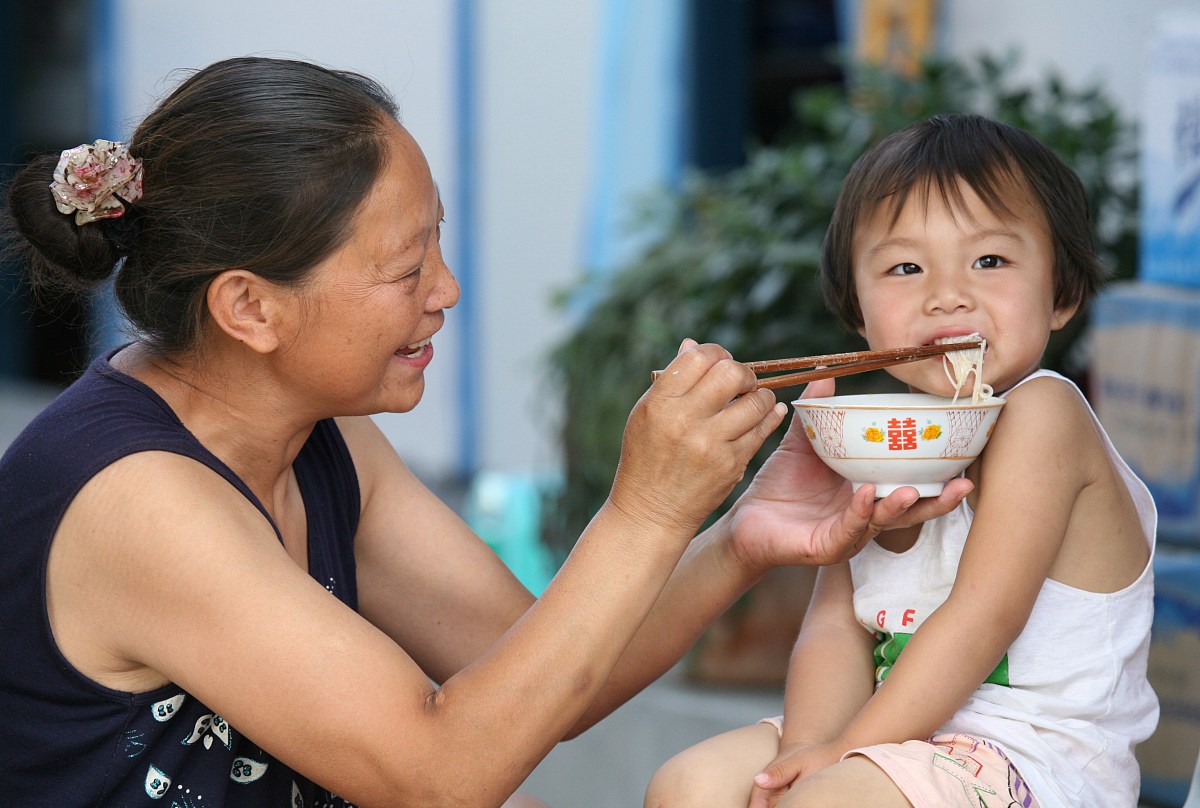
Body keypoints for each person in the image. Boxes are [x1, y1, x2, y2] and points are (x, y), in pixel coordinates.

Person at [0, 57, 971, 808]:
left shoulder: (317, 438)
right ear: (250, 308)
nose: (446, 292)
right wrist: (641, 505)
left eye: (439, 244)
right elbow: (441, 772)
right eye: (404, 267)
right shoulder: (140, 500)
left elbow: (537, 675)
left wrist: (737, 536)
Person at [644, 113, 1158, 808]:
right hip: (896, 736)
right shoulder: (879, 434)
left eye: (991, 261)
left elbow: (984, 614)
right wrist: (808, 745)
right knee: (690, 787)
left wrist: (842, 756)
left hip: (1037, 758)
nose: (947, 293)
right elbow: (835, 625)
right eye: (906, 267)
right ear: (859, 311)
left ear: (1061, 292)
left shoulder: (1045, 414)